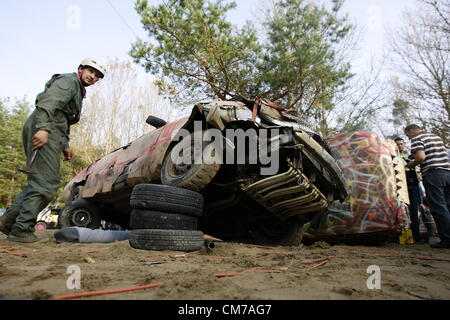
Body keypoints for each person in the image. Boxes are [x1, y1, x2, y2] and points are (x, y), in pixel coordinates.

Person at [0, 58, 106, 243]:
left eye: (97, 76)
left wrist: (65, 144)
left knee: (39, 181)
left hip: (53, 130)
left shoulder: (78, 90)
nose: (93, 77)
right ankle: (21, 229)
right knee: (46, 183)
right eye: (91, 71)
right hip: (44, 127)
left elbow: (63, 119)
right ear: (80, 69)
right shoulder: (69, 81)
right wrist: (43, 128)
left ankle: (9, 223)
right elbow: (48, 103)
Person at [404, 124, 450, 248]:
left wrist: (410, 165)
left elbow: (421, 157)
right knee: (448, 206)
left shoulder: (417, 139)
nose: (408, 138)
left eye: (408, 135)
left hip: (433, 174)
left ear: (412, 130)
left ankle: (446, 240)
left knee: (439, 207)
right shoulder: (436, 137)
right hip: (447, 172)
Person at [395, 137, 424, 242]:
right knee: (400, 211)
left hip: (412, 185)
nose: (400, 146)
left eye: (401, 144)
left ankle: (416, 236)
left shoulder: (410, 156)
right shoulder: (392, 157)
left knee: (414, 211)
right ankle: (399, 235)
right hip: (398, 187)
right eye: (397, 144)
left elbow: (418, 173)